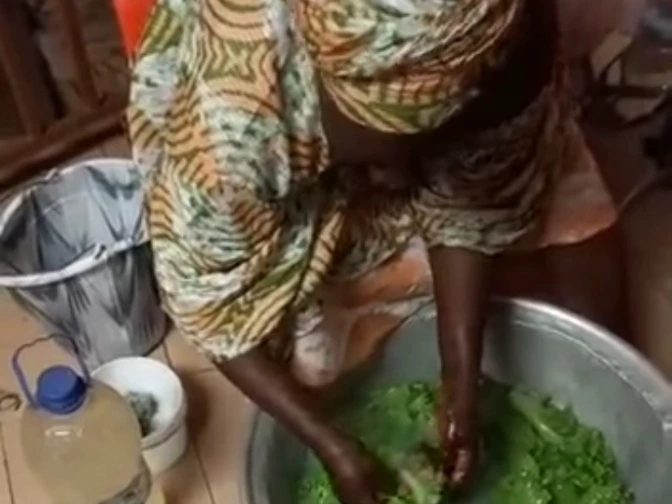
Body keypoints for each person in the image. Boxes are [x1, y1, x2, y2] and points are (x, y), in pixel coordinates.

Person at [127, 0, 614, 502]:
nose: (401, 179)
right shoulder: (233, 128)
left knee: (570, 226)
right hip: (257, 150)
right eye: (393, 153)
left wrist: (460, 377)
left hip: (429, 118)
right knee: (314, 357)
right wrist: (332, 445)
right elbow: (209, 305)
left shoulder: (504, 42)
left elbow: (476, 197)